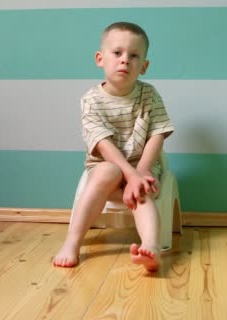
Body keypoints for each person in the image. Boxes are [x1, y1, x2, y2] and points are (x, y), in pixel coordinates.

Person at [52, 22, 174, 272]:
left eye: (134, 55)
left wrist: (140, 171)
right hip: (106, 168)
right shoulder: (91, 100)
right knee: (109, 170)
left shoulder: (149, 95)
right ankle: (72, 243)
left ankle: (151, 247)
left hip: (143, 165)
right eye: (117, 53)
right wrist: (129, 174)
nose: (125, 60)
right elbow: (102, 143)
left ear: (144, 66)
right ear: (100, 58)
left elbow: (157, 134)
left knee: (142, 192)